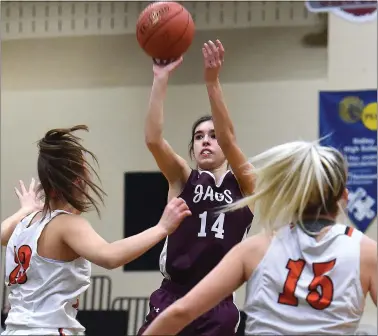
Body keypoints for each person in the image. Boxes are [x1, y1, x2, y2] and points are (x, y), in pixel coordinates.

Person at [142, 141, 378, 336]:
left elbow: (180, 312)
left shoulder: (255, 249)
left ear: (288, 196)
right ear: (344, 197)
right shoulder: (367, 252)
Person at [0, 125, 191, 336]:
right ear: (80, 179)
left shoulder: (24, 223)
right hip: (48, 330)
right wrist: (161, 228)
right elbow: (110, 256)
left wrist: (25, 209)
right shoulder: (67, 224)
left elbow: (2, 235)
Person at [138, 40, 254, 336]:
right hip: (173, 294)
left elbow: (229, 138)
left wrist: (212, 82)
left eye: (213, 136)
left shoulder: (246, 183)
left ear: (226, 145)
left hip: (217, 303)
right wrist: (160, 79)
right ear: (192, 147)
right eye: (199, 136)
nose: (206, 140)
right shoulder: (183, 179)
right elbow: (153, 140)